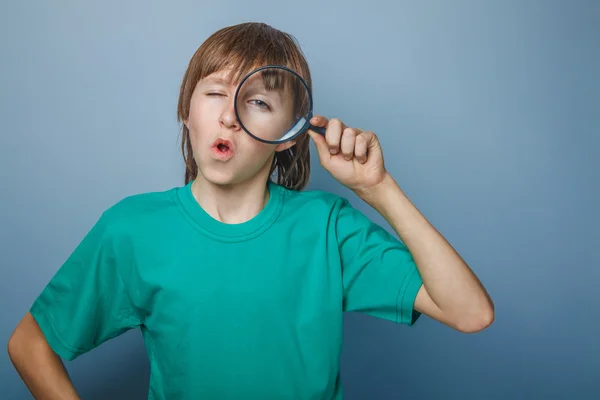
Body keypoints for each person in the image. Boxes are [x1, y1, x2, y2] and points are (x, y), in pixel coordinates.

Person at [8, 22, 494, 400]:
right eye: (215, 93)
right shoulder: (132, 229)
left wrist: (380, 189)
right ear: (186, 109)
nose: (229, 115)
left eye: (257, 101)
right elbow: (29, 343)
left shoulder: (327, 228)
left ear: (288, 134)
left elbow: (469, 312)